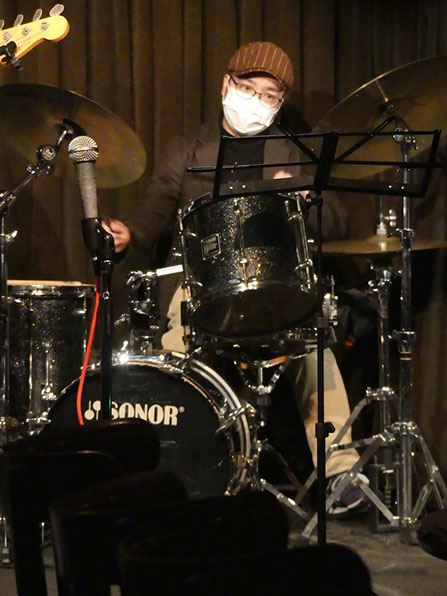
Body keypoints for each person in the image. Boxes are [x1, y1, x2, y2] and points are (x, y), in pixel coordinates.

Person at [103, 41, 368, 517]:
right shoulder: (189, 149)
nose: (257, 101)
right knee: (175, 355)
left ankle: (341, 473)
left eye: (269, 95)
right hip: (201, 286)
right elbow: (153, 215)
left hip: (276, 287)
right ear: (226, 85)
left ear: (280, 103)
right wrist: (128, 234)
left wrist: (306, 196)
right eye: (248, 88)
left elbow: (338, 223)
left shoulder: (295, 152)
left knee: (314, 345)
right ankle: (182, 467)